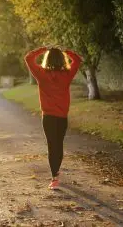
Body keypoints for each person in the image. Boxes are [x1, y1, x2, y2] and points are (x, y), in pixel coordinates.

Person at [24, 45, 82, 189]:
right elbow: (78, 60)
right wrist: (66, 50)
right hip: (62, 116)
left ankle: (54, 177)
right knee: (59, 144)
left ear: (47, 59)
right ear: (62, 60)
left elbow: (28, 58)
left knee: (52, 145)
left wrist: (43, 48)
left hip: (48, 117)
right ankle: (56, 174)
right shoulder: (67, 74)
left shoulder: (41, 74)